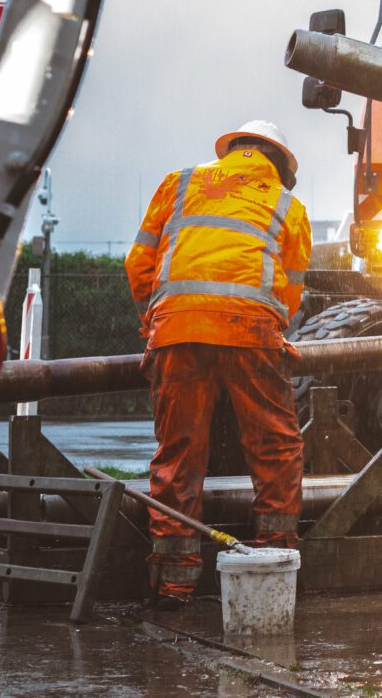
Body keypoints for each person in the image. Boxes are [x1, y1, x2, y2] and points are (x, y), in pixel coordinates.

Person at [124, 119, 312, 607]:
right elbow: (289, 292)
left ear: (232, 151)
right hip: (251, 332)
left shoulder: (179, 183)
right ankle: (273, 566)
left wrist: (158, 322)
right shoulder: (289, 205)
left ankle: (173, 581)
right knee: (274, 449)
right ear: (280, 165)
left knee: (179, 454)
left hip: (178, 331)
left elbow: (138, 263)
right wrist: (272, 328)